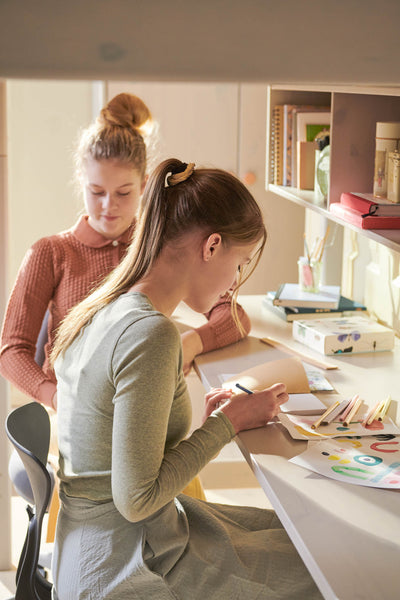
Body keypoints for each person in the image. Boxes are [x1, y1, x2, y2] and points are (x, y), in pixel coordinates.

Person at [50, 159, 322, 599]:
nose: (233, 284)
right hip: (124, 561)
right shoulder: (151, 334)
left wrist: (213, 426)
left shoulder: (110, 304)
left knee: (303, 543)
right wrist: (226, 425)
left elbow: (122, 458)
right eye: (239, 264)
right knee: (321, 569)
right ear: (211, 246)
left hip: (95, 545)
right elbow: (136, 498)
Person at [0, 92, 249, 504]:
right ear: (81, 184)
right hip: (84, 430)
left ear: (145, 186)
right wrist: (55, 395)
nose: (108, 207)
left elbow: (232, 312)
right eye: (95, 192)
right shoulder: (51, 253)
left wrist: (187, 343)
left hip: (148, 423)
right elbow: (11, 349)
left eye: (124, 193)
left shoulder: (160, 249)